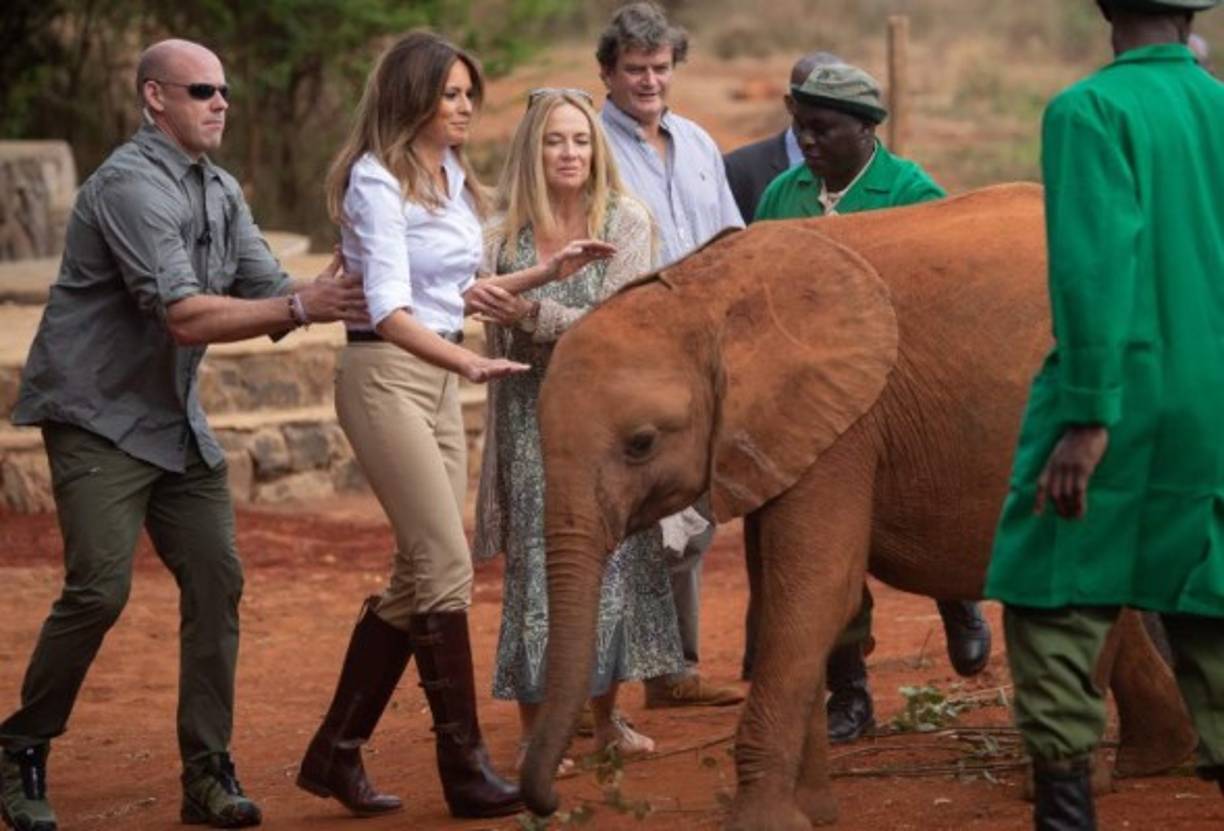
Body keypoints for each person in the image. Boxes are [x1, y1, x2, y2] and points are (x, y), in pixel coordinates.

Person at [0, 39, 367, 831]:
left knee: (216, 579)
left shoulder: (221, 188)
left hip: (173, 421)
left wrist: (339, 286)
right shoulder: (131, 187)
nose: (220, 101)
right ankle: (20, 749)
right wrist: (302, 308)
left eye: (224, 89)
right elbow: (183, 314)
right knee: (99, 589)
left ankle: (206, 773)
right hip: (96, 415)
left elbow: (267, 289)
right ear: (154, 99)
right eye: (201, 89)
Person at [294, 31, 614, 821]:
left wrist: (547, 270)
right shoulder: (376, 181)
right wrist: (467, 366)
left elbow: (462, 289)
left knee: (421, 572)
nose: (465, 107)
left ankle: (335, 752)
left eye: (470, 93)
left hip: (437, 378)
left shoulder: (450, 175)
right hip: (386, 376)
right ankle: (465, 767)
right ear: (413, 97)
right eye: (450, 95)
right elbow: (388, 309)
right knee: (443, 564)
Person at [984, 1, 1223, 828]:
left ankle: (1067, 810)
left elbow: (1093, 266)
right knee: (1212, 595)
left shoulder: (1088, 110)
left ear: (1106, 11)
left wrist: (1086, 415)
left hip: (1126, 396)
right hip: (1216, 404)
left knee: (1053, 589)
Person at [753, 60, 993, 743]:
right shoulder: (782, 195)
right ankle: (850, 689)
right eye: (800, 128)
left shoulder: (913, 192)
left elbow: (948, 300)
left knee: (929, 508)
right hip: (814, 402)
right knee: (825, 547)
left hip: (905, 396)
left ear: (866, 128)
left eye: (824, 128)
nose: (809, 143)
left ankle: (958, 596)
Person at [473, 88, 685, 769]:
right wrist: (537, 317)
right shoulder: (501, 235)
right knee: (540, 567)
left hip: (606, 421)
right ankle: (541, 728)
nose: (569, 152)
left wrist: (531, 315)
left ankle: (605, 717)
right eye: (554, 141)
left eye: (581, 140)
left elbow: (614, 328)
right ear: (531, 151)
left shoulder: (625, 220)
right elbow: (486, 313)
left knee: (615, 560)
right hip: (528, 414)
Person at [596, 0, 745, 710]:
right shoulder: (587, 142)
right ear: (608, 72)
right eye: (635, 70)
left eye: (660, 68)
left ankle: (673, 668)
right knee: (636, 509)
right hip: (629, 346)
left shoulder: (697, 141)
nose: (649, 81)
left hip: (701, 345)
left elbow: (729, 240)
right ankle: (608, 677)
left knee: (695, 505)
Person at [723, 51, 840, 222]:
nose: (828, 112)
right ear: (790, 104)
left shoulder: (873, 171)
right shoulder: (740, 171)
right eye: (817, 101)